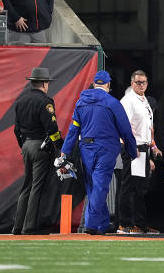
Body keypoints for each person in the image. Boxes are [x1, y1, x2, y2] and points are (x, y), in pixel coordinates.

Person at [59, 71, 138, 235]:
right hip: (106, 148)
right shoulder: (113, 103)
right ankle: (91, 224)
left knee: (93, 186)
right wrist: (131, 150)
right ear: (108, 85)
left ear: (94, 83)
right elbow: (125, 130)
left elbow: (73, 130)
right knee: (100, 186)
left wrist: (65, 152)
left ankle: (101, 225)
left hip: (86, 148)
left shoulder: (81, 103)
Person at [12, 66, 62, 235]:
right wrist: (58, 146)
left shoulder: (20, 101)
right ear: (44, 83)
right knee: (36, 186)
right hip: (40, 146)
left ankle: (17, 226)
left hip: (26, 145)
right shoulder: (45, 101)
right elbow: (52, 128)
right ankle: (30, 226)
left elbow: (16, 129)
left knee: (26, 186)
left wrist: (23, 146)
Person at [118, 70, 161, 234]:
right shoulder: (128, 100)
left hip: (142, 147)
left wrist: (152, 147)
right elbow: (124, 126)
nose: (141, 85)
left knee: (140, 188)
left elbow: (148, 128)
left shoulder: (144, 100)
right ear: (131, 83)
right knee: (129, 186)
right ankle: (125, 224)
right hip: (133, 146)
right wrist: (131, 147)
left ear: (147, 84)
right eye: (138, 82)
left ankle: (140, 224)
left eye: (143, 82)